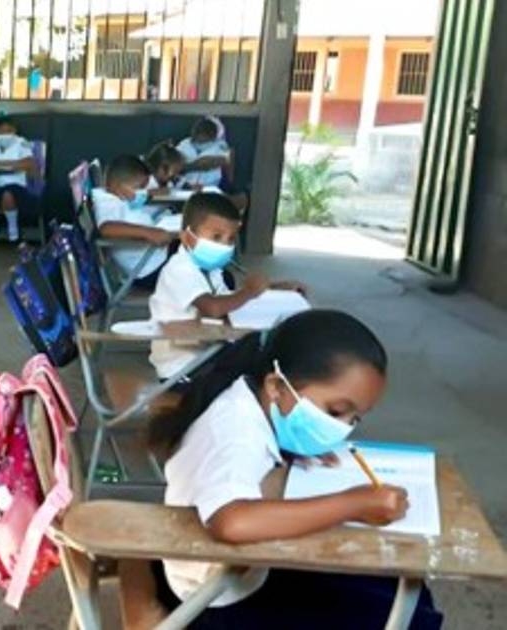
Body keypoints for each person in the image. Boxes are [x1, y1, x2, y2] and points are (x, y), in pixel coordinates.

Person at [147, 309, 443, 629]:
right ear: (276, 386)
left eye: (355, 418)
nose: (344, 428)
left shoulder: (249, 400)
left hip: (242, 571)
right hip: (218, 600)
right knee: (413, 618)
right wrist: (354, 504)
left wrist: (292, 449)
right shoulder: (232, 435)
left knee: (398, 588)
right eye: (336, 411)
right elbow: (231, 522)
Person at [149, 192, 305, 380]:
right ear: (188, 238)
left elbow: (227, 300)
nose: (225, 245)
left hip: (208, 351)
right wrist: (250, 291)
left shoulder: (210, 269)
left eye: (231, 239)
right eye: (216, 237)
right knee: (262, 361)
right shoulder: (179, 269)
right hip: (181, 367)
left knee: (267, 351)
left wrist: (273, 287)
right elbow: (213, 308)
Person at [91, 155, 177, 291]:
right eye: (139, 188)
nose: (141, 192)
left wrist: (150, 192)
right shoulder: (108, 203)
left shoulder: (117, 195)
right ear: (117, 186)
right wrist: (149, 233)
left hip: (155, 256)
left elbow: (132, 200)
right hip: (148, 269)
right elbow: (106, 228)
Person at [175, 117, 248, 211]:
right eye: (198, 132)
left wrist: (187, 166)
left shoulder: (220, 145)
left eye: (204, 134)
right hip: (185, 188)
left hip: (210, 187)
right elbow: (174, 164)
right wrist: (188, 168)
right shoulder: (184, 144)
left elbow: (212, 162)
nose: (200, 137)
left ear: (212, 136)